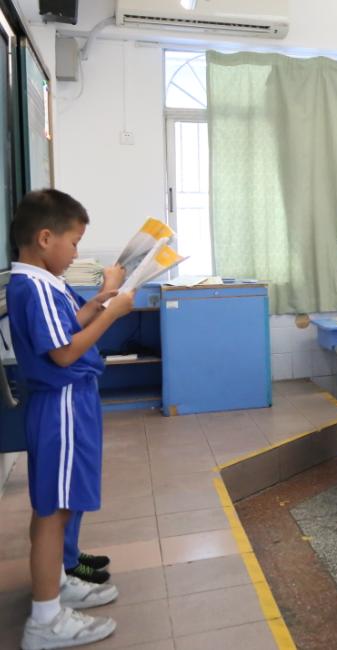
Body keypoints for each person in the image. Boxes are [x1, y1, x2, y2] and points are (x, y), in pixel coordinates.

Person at [7, 189, 136, 649]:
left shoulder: (42, 283)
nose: (77, 252)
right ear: (45, 238)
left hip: (70, 401)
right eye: (75, 242)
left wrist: (100, 300)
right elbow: (63, 352)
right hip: (60, 401)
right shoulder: (33, 285)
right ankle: (45, 619)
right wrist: (113, 315)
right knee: (53, 509)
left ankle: (55, 583)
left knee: (59, 504)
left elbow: (68, 325)